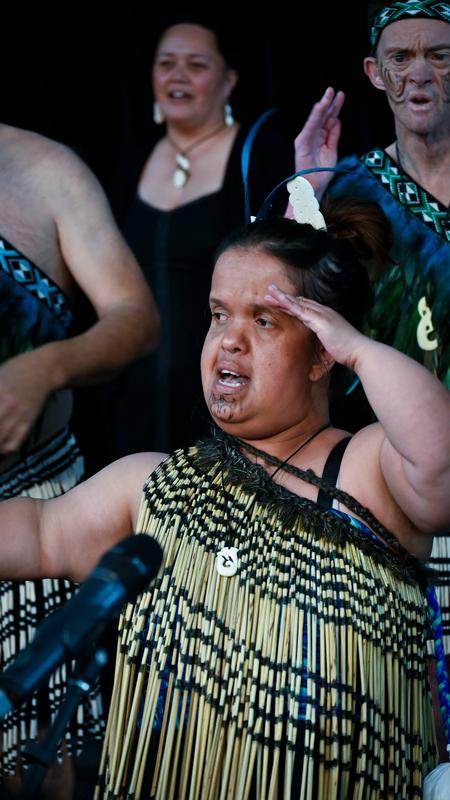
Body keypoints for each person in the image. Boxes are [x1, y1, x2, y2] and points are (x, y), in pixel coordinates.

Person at [0, 197, 449, 799]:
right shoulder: (154, 484)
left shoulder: (366, 469)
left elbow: (441, 467)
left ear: (323, 351)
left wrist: (361, 351)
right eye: (218, 315)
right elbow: (35, 533)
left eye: (264, 321)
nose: (230, 341)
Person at [291, 0, 450, 753]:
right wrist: (306, 194)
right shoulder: (350, 188)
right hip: (391, 480)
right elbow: (289, 311)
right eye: (401, 57)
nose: (420, 72)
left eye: (441, 54)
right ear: (374, 74)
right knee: (397, 717)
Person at [0, 122, 160, 793]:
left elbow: (136, 315)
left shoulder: (43, 170)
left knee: (44, 767)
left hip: (40, 505)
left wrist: (45, 366)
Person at [105, 13, 295, 458]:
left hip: (225, 398)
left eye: (196, 65)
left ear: (228, 81)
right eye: (166, 63)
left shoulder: (261, 151)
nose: (178, 76)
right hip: (132, 405)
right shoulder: (127, 166)